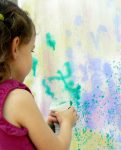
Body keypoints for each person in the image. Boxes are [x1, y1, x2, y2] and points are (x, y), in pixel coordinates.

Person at [0, 0, 78, 150]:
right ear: (15, 47)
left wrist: (44, 129)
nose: (32, 57)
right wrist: (67, 123)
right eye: (31, 50)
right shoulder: (18, 98)